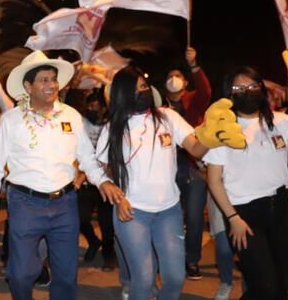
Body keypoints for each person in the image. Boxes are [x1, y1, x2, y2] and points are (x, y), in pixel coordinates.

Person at [0, 50, 123, 300]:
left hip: (65, 203)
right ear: (28, 86)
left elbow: (88, 159)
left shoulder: (71, 116)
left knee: (66, 276)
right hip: (25, 204)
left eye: (53, 79)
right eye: (44, 80)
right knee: (21, 274)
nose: (51, 85)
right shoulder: (11, 120)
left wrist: (103, 181)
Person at [96, 66, 243, 300]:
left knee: (175, 278)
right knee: (143, 281)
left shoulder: (168, 117)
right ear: (122, 94)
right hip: (132, 213)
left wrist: (212, 137)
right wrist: (115, 195)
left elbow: (195, 147)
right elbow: (100, 170)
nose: (141, 92)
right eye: (135, 90)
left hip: (168, 211)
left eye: (143, 87)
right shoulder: (112, 128)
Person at [204, 53, 288, 300]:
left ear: (262, 89)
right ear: (229, 92)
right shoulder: (224, 128)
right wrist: (233, 218)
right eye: (239, 87)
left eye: (253, 86)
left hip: (281, 209)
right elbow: (214, 181)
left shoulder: (279, 121)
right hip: (244, 214)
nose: (247, 91)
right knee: (265, 287)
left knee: (279, 288)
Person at [164, 46, 212, 280]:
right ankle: (170, 257)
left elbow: (205, 90)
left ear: (185, 82)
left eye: (179, 76)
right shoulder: (158, 106)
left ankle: (191, 260)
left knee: (194, 217)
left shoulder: (193, 100)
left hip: (193, 168)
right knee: (169, 216)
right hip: (166, 169)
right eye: (170, 76)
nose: (174, 79)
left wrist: (193, 65)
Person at [75, 91, 116, 271]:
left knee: (106, 223)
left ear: (105, 108)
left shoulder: (112, 126)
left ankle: (109, 256)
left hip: (106, 180)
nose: (90, 109)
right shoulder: (81, 123)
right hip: (86, 183)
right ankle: (93, 241)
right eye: (89, 106)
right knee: (80, 218)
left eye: (95, 106)